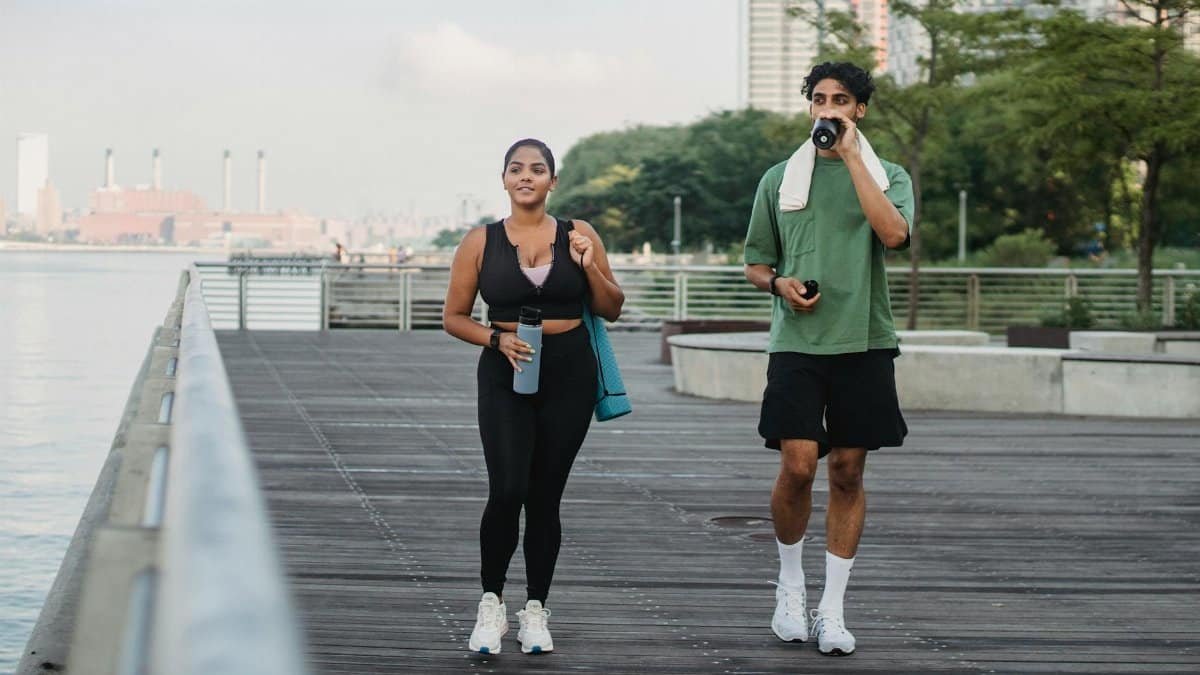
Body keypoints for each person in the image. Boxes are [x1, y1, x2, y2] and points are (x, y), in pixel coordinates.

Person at [741, 62, 914, 657]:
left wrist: (853, 161)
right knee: (798, 466)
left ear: (859, 110)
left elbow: (894, 235)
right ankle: (790, 586)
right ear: (809, 106)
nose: (829, 109)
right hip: (796, 343)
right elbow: (756, 263)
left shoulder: (888, 174)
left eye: (841, 100)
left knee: (847, 471)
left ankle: (832, 609)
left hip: (864, 340)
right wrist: (779, 285)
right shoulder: (777, 180)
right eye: (819, 100)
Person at [442, 138, 624, 655]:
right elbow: (452, 316)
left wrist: (588, 265)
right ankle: (491, 605)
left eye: (538, 169)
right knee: (506, 490)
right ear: (504, 179)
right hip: (505, 371)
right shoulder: (480, 241)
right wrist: (495, 339)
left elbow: (612, 307)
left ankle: (536, 611)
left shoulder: (579, 234)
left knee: (545, 497)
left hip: (570, 371)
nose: (527, 176)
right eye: (516, 169)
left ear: (552, 182)